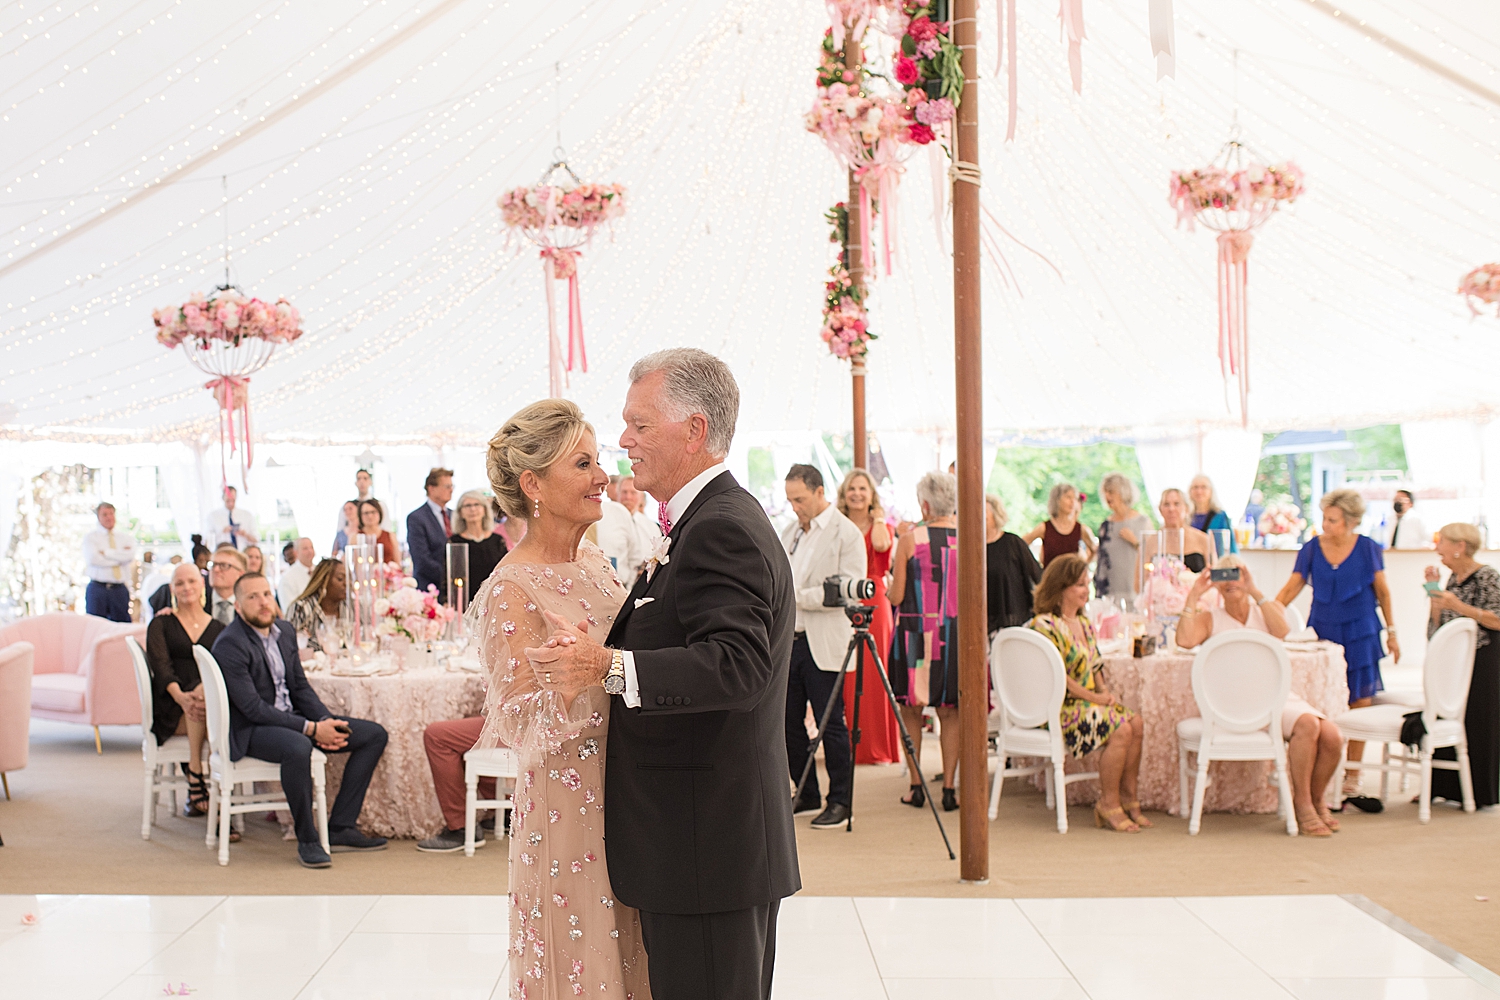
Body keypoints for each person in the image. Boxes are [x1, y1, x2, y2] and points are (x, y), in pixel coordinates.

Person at [522, 349, 799, 999]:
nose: (624, 441)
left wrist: (605, 666)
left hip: (708, 848)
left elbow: (738, 666)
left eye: (640, 424)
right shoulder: (700, 522)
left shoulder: (721, 528)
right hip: (701, 845)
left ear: (694, 431)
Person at [467, 398, 650, 997]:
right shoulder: (509, 589)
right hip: (570, 808)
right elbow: (520, 724)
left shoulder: (597, 562)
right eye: (584, 464)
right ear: (533, 484)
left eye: (598, 461)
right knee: (583, 960)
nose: (603, 476)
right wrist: (582, 683)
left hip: (630, 795)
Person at [212, 572, 389, 868]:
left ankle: (341, 826)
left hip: (292, 720)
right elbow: (253, 708)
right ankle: (308, 838)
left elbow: (300, 686)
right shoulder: (230, 644)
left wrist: (324, 721)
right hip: (251, 730)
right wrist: (312, 729)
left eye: (266, 594)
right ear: (238, 606)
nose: (263, 602)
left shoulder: (283, 630)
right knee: (298, 746)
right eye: (253, 597)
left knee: (373, 735)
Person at [1176, 554, 1345, 834]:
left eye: (1236, 573)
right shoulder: (1210, 619)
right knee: (1308, 725)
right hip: (1234, 703)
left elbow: (1282, 630)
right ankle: (1302, 805)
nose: (1231, 582)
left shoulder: (1265, 611)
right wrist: (1194, 594)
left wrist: (1253, 589)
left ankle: (1316, 798)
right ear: (1215, 584)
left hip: (1275, 697)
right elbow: (1183, 640)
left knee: (1333, 737)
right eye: (1223, 576)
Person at [1274, 487, 1399, 813]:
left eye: (1332, 520)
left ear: (1350, 521)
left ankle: (1352, 778)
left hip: (1361, 632)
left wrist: (1393, 633)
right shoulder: (1312, 548)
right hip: (1324, 632)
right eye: (1324, 518)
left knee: (1359, 700)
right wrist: (1266, 615)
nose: (1326, 525)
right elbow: (1292, 586)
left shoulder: (1369, 548)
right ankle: (1321, 773)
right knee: (1322, 703)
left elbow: (1383, 592)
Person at [1028, 554, 1149, 832]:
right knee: (1120, 730)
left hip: (1087, 703)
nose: (1087, 591)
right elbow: (1059, 677)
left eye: (1087, 583)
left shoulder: (1083, 623)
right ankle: (1108, 803)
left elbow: (1095, 664)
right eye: (1080, 585)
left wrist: (1105, 692)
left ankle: (1129, 798)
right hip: (1060, 708)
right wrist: (1095, 699)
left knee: (1136, 722)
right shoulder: (1044, 625)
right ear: (1061, 588)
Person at [780, 463, 866, 830]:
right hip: (790, 641)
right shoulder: (788, 532)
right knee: (786, 722)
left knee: (832, 724)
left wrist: (796, 597)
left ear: (819, 492)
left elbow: (847, 589)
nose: (794, 507)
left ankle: (841, 801)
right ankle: (807, 791)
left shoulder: (846, 534)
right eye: (790, 500)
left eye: (799, 499)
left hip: (825, 641)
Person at [889, 471, 962, 811]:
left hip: (915, 637)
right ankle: (949, 788)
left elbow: (897, 594)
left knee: (911, 712)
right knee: (951, 713)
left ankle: (916, 785)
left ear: (926, 504)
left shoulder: (910, 539)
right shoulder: (968, 540)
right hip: (954, 635)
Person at [1425, 522, 1500, 808]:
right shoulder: (1453, 580)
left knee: (1479, 720)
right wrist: (1435, 595)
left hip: (1483, 658)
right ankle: (1446, 788)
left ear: (1460, 546)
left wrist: (1459, 607)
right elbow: (1435, 629)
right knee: (1448, 715)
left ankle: (1480, 791)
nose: (1437, 548)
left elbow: (1496, 619)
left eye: (1441, 541)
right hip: (1452, 663)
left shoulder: (1487, 576)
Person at [145, 563, 226, 817]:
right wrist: (181, 696)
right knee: (197, 702)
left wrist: (201, 690)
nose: (186, 587)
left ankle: (196, 776)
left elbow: (224, 670)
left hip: (209, 705)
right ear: (172, 589)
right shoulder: (161, 623)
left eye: (191, 581)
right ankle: (207, 786)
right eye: (179, 583)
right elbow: (161, 667)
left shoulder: (219, 628)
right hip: (172, 706)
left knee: (202, 696)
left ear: (202, 585)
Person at [836, 468, 902, 766]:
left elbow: (880, 547)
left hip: (875, 599)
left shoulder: (882, 526)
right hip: (844, 599)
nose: (857, 494)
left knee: (876, 674)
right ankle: (850, 744)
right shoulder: (837, 525)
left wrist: (877, 517)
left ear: (871, 494)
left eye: (863, 488)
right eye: (852, 488)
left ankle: (878, 747)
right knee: (849, 673)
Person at [416, 716, 499, 853]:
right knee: (463, 733)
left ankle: (461, 827)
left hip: (523, 724)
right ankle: (506, 810)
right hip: (529, 722)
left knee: (436, 735)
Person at [987, 493, 1042, 634]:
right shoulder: (973, 549)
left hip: (1016, 621)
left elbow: (1037, 575)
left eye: (984, 512)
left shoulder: (1013, 543)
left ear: (995, 515)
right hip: (985, 625)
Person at [1094, 474, 1149, 600]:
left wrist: (1134, 542)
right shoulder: (1105, 525)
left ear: (1123, 492)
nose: (1107, 496)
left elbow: (1151, 556)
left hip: (1134, 592)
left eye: (1111, 492)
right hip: (1109, 592)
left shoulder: (1142, 521)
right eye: (1105, 492)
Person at [448, 489, 508, 599]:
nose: (473, 509)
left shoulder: (497, 540)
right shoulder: (455, 542)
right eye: (467, 506)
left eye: (477, 504)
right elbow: (448, 578)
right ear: (460, 512)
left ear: (484, 510)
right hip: (464, 603)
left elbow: (505, 573)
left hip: (493, 601)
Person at [83, 501, 136, 622]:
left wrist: (106, 553)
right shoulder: (91, 538)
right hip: (98, 588)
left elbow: (129, 556)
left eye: (111, 513)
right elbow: (94, 559)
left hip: (119, 589)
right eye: (105, 514)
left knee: (123, 626)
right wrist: (119, 558)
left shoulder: (124, 537)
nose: (109, 517)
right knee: (95, 625)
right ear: (98, 517)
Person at [1022, 483, 1097, 567]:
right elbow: (1021, 544)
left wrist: (1082, 568)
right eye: (1068, 497)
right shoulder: (1044, 528)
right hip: (1050, 578)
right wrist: (1034, 568)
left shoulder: (1081, 529)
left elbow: (1094, 550)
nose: (1072, 502)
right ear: (1057, 500)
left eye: (1075, 498)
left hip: (1072, 579)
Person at [1140, 488, 1214, 573]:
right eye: (1166, 504)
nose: (1171, 509)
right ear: (1160, 510)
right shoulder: (1150, 541)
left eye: (1176, 504)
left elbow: (1214, 575)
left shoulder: (1204, 539)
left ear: (1187, 509)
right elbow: (1140, 580)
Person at [406, 467, 453, 598]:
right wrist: (449, 576)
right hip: (429, 589)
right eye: (447, 486)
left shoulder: (454, 515)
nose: (451, 490)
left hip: (454, 588)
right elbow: (421, 559)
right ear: (431, 488)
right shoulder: (417, 518)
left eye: (452, 486)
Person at [284, 559, 347, 656]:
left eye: (349, 578)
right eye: (340, 579)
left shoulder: (350, 608)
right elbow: (291, 645)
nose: (346, 584)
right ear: (323, 581)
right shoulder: (301, 608)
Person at [617, 474, 664, 588]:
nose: (628, 497)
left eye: (633, 493)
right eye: (624, 492)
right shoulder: (605, 523)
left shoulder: (651, 527)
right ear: (617, 494)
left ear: (641, 497)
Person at [1189, 473, 1236, 552]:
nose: (1199, 491)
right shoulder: (1186, 517)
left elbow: (1230, 546)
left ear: (1211, 491)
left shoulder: (1220, 516)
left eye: (1203, 487)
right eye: (1195, 487)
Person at [208, 486, 258, 551]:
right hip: (222, 552)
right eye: (228, 501)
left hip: (242, 553)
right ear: (223, 498)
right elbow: (208, 541)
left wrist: (245, 534)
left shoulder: (247, 515)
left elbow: (256, 540)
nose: (231, 503)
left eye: (233, 500)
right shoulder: (213, 516)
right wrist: (221, 531)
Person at [207, 545, 246, 624]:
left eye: (224, 565)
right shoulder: (198, 603)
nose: (216, 569)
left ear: (240, 574)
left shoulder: (248, 606)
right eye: (213, 565)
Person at [356, 499, 400, 568]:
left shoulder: (390, 535)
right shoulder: (356, 537)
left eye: (373, 512)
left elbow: (398, 563)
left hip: (388, 576)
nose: (370, 516)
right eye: (366, 513)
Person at [277, 537, 316, 611]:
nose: (310, 551)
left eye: (311, 547)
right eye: (305, 548)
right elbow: (289, 609)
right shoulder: (288, 577)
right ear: (296, 552)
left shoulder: (319, 571)